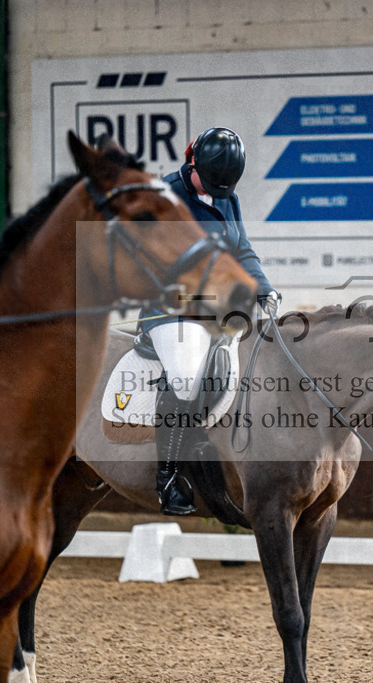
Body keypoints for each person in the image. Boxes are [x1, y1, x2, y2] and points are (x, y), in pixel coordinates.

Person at [140, 127, 278, 515]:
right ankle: (167, 476)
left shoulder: (226, 197)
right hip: (169, 309)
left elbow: (243, 249)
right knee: (186, 375)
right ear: (193, 162)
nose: (219, 195)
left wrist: (263, 287)